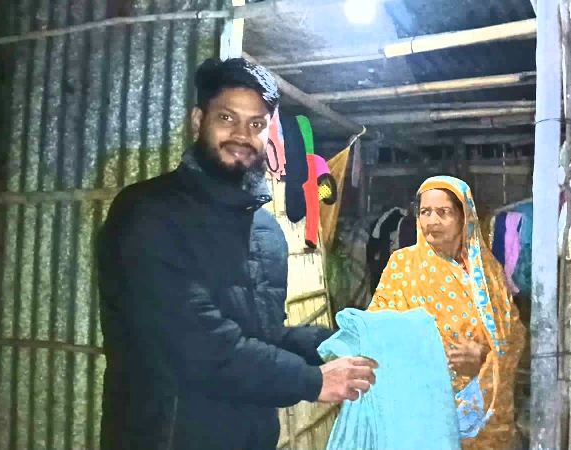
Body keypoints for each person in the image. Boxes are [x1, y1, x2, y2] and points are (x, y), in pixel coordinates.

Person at [96, 57, 377, 450]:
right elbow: (196, 343)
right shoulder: (147, 213)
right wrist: (313, 381)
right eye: (227, 118)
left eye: (256, 124)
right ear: (199, 120)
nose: (242, 135)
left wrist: (342, 342)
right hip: (166, 436)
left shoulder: (265, 231)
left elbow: (264, 335)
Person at [368, 176, 526, 450]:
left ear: (464, 217)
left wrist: (486, 357)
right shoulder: (401, 266)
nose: (432, 221)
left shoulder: (488, 273)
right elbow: (376, 332)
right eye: (425, 212)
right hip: (423, 413)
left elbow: (514, 335)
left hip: (485, 421)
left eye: (444, 212)